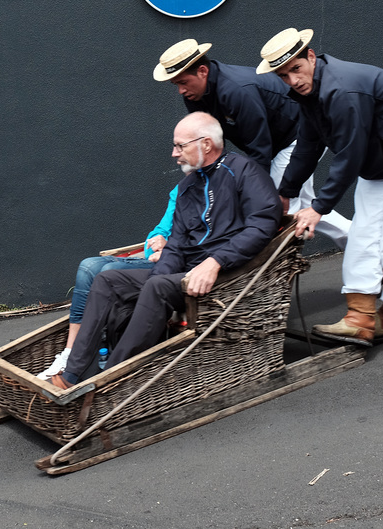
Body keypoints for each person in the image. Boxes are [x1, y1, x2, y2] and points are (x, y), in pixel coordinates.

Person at [50, 112, 282, 389]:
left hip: (229, 272)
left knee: (157, 286)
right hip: (186, 275)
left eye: (180, 146)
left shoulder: (243, 170)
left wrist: (215, 261)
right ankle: (71, 374)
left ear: (205, 144)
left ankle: (109, 378)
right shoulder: (187, 186)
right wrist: (153, 279)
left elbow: (263, 224)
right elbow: (177, 244)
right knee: (108, 280)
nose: (174, 153)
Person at [256, 28, 383, 347]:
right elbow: (307, 146)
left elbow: (349, 154)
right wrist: (285, 194)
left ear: (311, 57)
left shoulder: (342, 91)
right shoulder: (309, 95)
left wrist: (318, 208)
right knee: (362, 233)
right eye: (283, 75)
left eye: (296, 69)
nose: (292, 80)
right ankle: (359, 320)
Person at [154, 38, 352, 249]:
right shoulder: (195, 95)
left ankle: (274, 274)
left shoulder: (237, 90)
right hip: (273, 145)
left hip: (297, 139)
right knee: (301, 207)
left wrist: (245, 188)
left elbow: (260, 149)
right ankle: (355, 241)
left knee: (277, 209)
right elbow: (206, 141)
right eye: (176, 84)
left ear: (202, 71)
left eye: (183, 82)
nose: (180, 91)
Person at [36, 183, 180, 380]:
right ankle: (69, 353)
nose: (176, 155)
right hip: (151, 257)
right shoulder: (181, 190)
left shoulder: (210, 190)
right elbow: (158, 232)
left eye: (181, 149)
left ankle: (96, 360)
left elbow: (194, 241)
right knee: (87, 267)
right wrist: (158, 241)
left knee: (108, 272)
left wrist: (169, 249)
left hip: (170, 264)